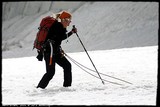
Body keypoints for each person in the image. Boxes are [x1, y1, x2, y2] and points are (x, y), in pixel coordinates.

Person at [36, 11, 77, 89]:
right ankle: (39, 88)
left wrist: (71, 32)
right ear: (64, 20)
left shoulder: (59, 26)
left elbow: (61, 37)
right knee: (50, 73)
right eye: (69, 21)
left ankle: (67, 87)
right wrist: (71, 32)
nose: (69, 23)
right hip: (49, 52)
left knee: (67, 66)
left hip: (55, 52)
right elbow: (62, 37)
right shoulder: (57, 26)